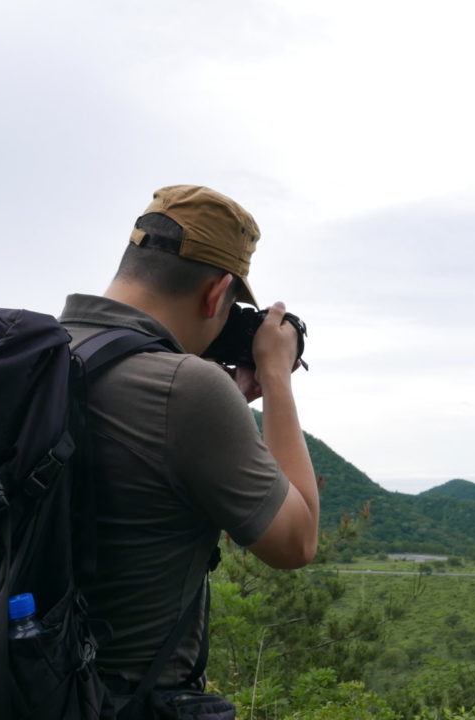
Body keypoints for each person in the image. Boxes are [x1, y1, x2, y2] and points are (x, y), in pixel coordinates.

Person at [58, 185, 319, 706]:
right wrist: (275, 373)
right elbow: (296, 542)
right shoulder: (187, 389)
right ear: (217, 293)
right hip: (113, 703)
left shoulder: (41, 361)